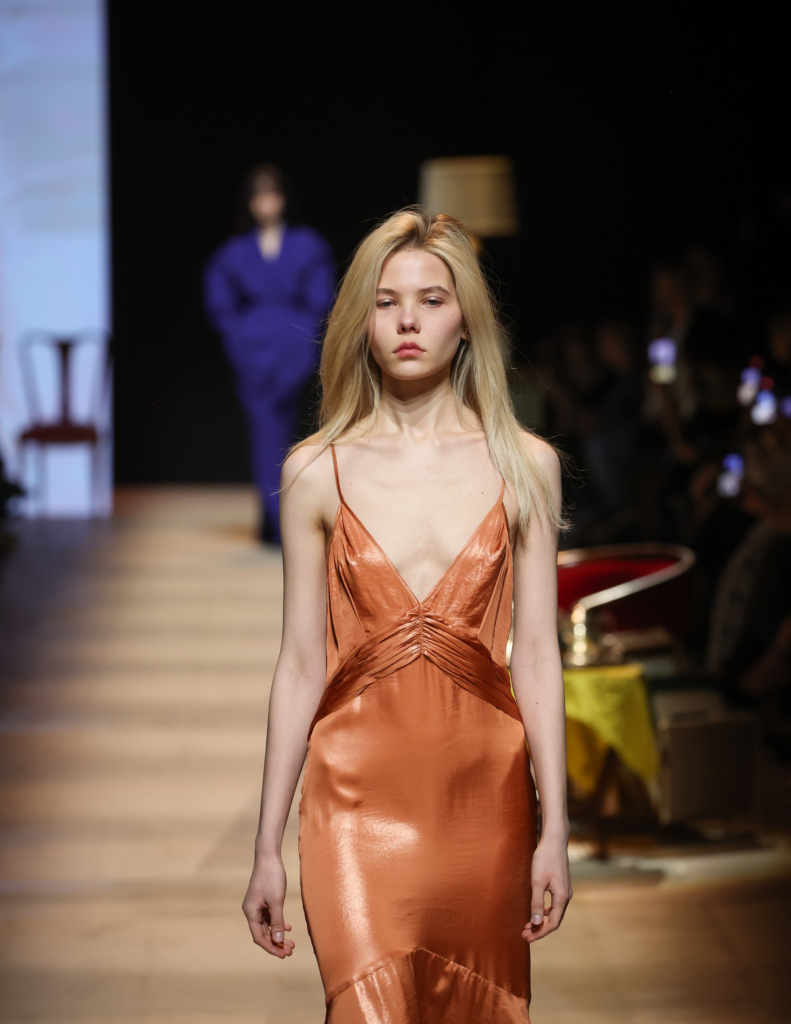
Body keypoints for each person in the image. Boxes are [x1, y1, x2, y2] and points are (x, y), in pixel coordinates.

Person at [242, 208, 571, 1021]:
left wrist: (555, 829)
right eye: (386, 303)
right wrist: (265, 846)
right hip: (352, 802)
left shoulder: (526, 466)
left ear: (466, 320)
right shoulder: (315, 471)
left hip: (484, 798)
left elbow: (536, 654)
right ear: (361, 322)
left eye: (431, 300)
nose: (408, 322)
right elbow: (299, 663)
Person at [204, 164, 335, 543]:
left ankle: (276, 519)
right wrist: (237, 336)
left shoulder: (307, 244)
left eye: (272, 193)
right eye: (258, 194)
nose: (266, 202)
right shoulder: (235, 251)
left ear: (284, 197)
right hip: (253, 352)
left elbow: (321, 298)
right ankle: (279, 523)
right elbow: (219, 301)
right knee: (266, 437)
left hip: (296, 350)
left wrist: (308, 338)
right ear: (249, 201)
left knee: (294, 436)